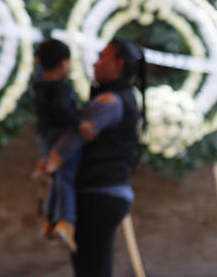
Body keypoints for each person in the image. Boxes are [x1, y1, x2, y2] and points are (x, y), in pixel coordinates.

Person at [35, 38, 147, 277]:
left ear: (118, 64)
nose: (95, 64)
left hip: (100, 196)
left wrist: (50, 164)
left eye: (102, 57)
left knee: (92, 269)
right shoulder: (118, 97)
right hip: (104, 195)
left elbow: (72, 140)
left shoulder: (110, 101)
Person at [31, 38, 79, 250]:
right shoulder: (60, 87)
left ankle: (50, 220)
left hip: (43, 135)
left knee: (55, 177)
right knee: (65, 175)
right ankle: (66, 220)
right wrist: (79, 123)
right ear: (63, 63)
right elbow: (63, 109)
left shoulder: (40, 85)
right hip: (59, 136)